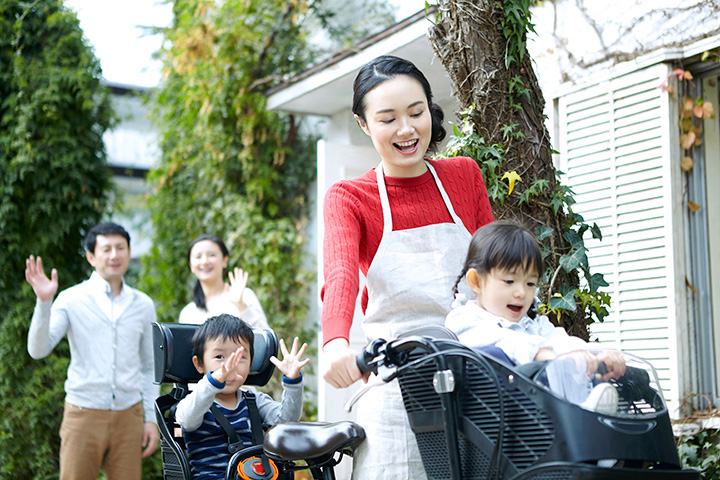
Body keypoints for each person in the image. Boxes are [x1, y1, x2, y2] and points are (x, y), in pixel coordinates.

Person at [320, 55, 494, 479]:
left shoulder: (464, 176)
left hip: (476, 370)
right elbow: (340, 274)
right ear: (364, 125)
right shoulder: (350, 197)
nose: (406, 129)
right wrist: (335, 344)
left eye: (416, 113)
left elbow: (496, 266)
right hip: (394, 381)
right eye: (388, 119)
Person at [25, 222, 159, 480]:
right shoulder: (71, 298)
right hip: (83, 413)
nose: (114, 255)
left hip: (129, 416)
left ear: (129, 252)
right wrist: (44, 302)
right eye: (106, 248)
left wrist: (150, 418)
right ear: (90, 256)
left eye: (120, 248)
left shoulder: (143, 304)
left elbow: (149, 365)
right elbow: (38, 350)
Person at [445, 221, 626, 412]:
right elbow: (503, 341)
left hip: (544, 420)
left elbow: (559, 339)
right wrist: (543, 355)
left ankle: (590, 408)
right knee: (497, 355)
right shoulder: (463, 319)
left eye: (530, 284)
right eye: (509, 281)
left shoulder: (531, 324)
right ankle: (585, 410)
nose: (521, 293)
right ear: (477, 281)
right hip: (502, 421)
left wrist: (596, 354)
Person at [175, 314, 308, 480]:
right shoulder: (196, 403)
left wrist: (292, 381)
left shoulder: (254, 401)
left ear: (251, 363)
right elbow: (185, 419)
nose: (230, 366)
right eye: (219, 357)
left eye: (240, 357)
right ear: (199, 364)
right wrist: (213, 382)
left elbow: (286, 421)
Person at [179, 234, 269, 328]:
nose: (205, 261)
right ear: (191, 265)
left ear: (225, 260)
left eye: (211, 255)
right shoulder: (188, 313)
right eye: (198, 257)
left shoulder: (245, 296)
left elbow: (266, 339)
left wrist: (241, 306)